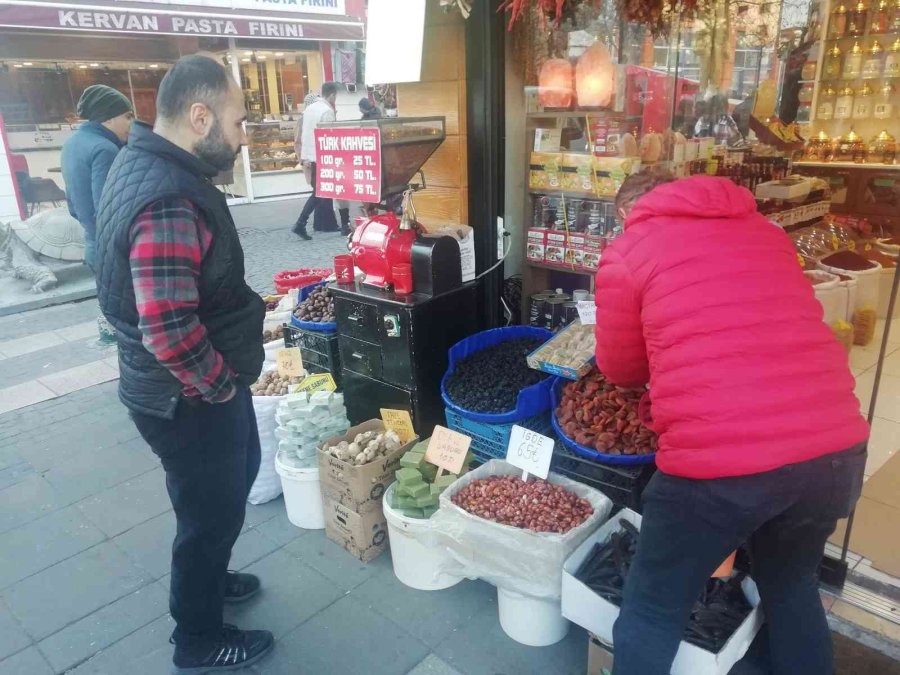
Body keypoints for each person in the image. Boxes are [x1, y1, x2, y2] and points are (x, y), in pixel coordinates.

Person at [594, 170, 869, 675]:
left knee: (653, 607)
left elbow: (622, 368)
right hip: (834, 449)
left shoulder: (631, 249)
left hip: (719, 464)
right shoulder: (767, 232)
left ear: (627, 214)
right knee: (790, 584)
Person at [94, 55, 271, 673]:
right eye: (239, 120)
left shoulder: (148, 163)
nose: (244, 135)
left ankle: (210, 579)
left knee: (231, 482)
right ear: (201, 116)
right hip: (185, 393)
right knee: (208, 512)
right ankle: (197, 638)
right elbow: (168, 328)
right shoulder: (167, 197)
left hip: (185, 386)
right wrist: (220, 386)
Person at [61, 85, 134, 342]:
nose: (131, 123)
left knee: (110, 311)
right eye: (127, 116)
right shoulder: (105, 149)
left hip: (92, 245)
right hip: (112, 249)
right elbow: (110, 210)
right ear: (109, 116)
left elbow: (72, 204)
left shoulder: (72, 145)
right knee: (128, 327)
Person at [291, 82, 339, 240]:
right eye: (335, 96)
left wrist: (304, 157)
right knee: (319, 192)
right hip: (323, 158)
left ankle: (319, 224)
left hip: (310, 157)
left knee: (320, 192)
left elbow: (304, 135)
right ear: (331, 94)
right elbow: (330, 137)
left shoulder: (309, 110)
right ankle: (300, 223)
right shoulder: (327, 111)